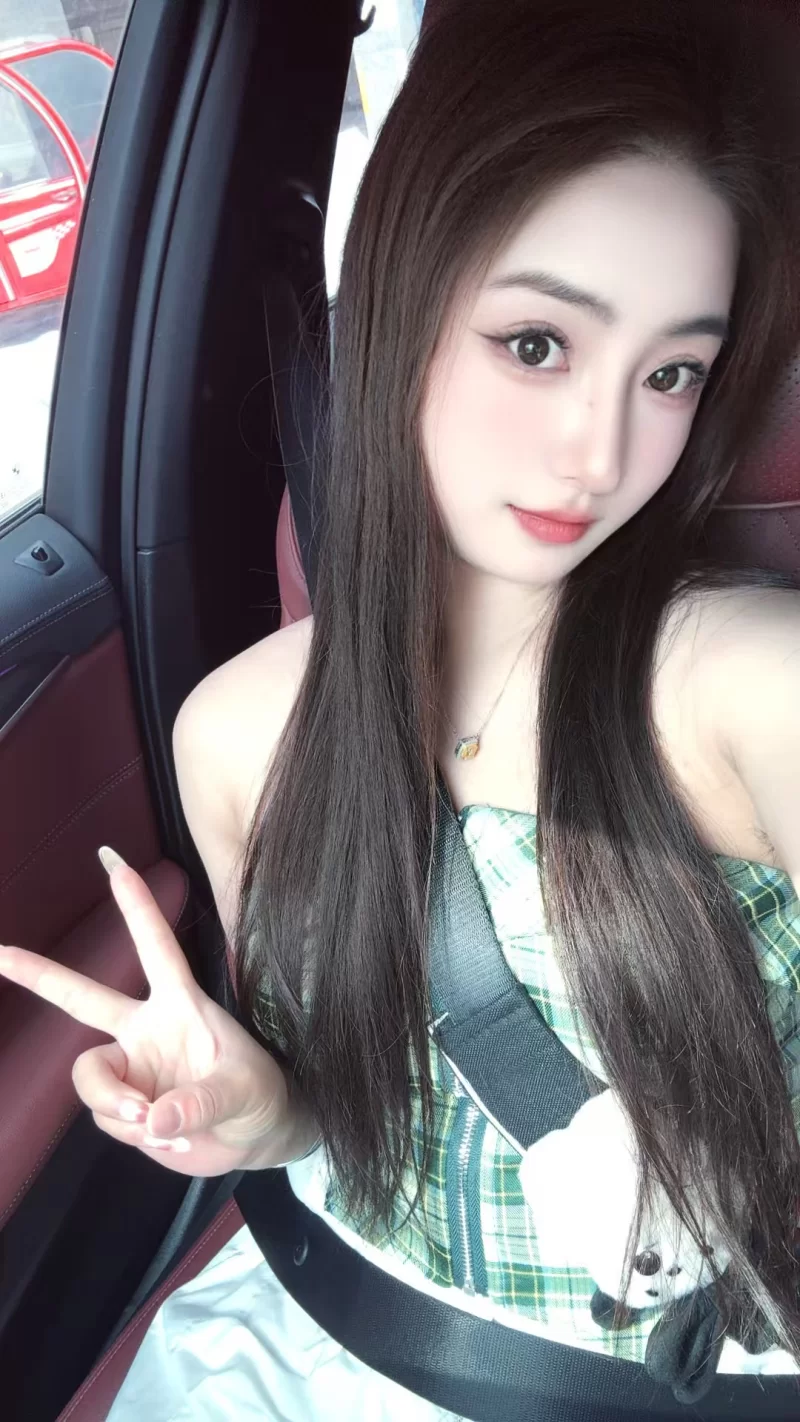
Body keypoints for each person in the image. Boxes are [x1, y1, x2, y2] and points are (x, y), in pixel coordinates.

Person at [2, 0, 800, 1416]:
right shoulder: (236, 733)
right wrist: (265, 1113)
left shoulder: (744, 682)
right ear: (399, 306)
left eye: (672, 371)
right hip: (302, 1344)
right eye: (538, 343)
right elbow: (348, 1115)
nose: (601, 448)